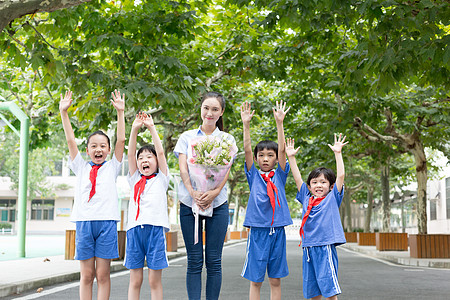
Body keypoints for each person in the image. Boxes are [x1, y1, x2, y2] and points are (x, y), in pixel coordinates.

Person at [59, 89, 125, 300]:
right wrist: (64, 113)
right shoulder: (80, 166)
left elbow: (121, 141)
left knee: (103, 274)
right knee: (86, 275)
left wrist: (120, 113)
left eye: (103, 146)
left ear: (107, 150)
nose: (98, 149)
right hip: (84, 223)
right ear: (87, 150)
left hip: (106, 223)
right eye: (94, 146)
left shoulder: (113, 166)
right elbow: (70, 141)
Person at [174, 91, 237, 300]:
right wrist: (193, 192)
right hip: (189, 203)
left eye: (215, 109)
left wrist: (214, 193)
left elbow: (226, 169)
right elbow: (183, 168)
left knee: (213, 261)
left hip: (217, 204)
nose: (209, 113)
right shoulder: (187, 137)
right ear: (200, 109)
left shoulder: (227, 139)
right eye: (206, 108)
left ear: (221, 112)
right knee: (194, 261)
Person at [240, 100, 293, 300]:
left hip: (277, 231)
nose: (264, 158)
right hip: (257, 232)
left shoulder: (279, 175)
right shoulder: (253, 175)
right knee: (256, 280)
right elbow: (246, 150)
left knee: (275, 280)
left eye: (269, 155)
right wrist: (246, 125)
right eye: (260, 155)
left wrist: (280, 123)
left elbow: (282, 151)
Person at [286, 134, 348, 300]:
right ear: (309, 186)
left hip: (325, 246)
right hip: (308, 248)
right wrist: (291, 157)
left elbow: (341, 176)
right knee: (313, 291)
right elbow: (297, 178)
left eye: (323, 182)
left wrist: (338, 153)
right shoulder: (306, 198)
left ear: (331, 186)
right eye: (314, 182)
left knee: (329, 289)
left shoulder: (332, 198)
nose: (318, 185)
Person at [125, 112, 170, 300]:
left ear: (157, 162)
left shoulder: (162, 179)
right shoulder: (134, 178)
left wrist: (151, 128)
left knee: (154, 280)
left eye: (149, 157)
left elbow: (160, 152)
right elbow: (130, 152)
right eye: (141, 158)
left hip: (155, 230)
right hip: (134, 231)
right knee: (135, 281)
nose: (145, 160)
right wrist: (134, 129)